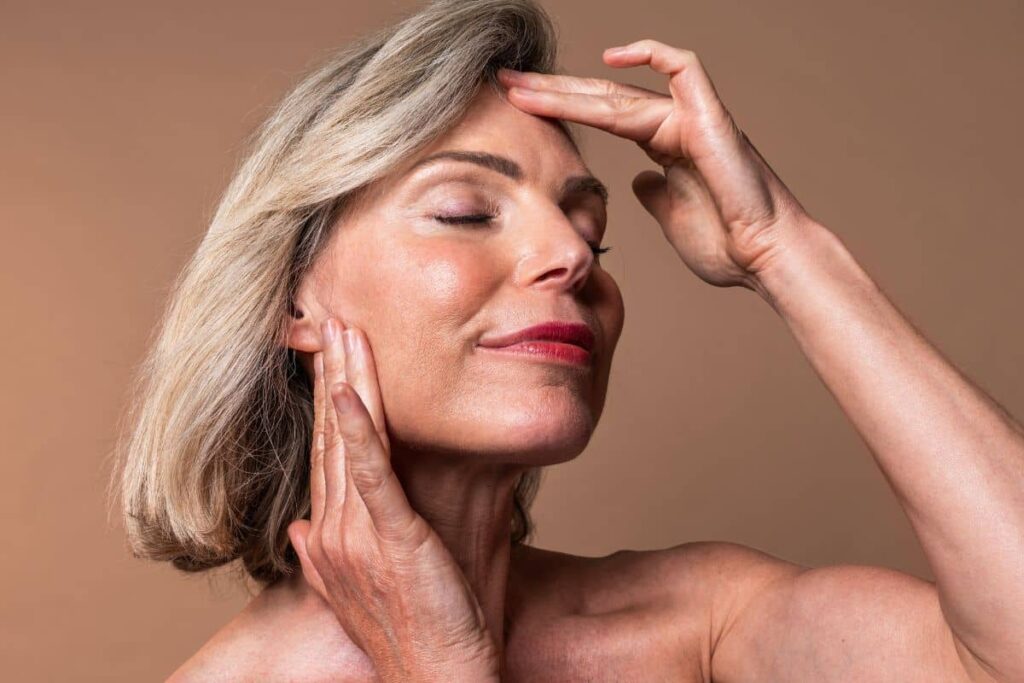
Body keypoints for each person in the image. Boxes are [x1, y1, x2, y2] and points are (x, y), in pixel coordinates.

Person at [111, 0, 1024, 680]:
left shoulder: (694, 622)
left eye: (592, 233)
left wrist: (781, 247)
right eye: (466, 210)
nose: (567, 257)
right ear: (292, 296)